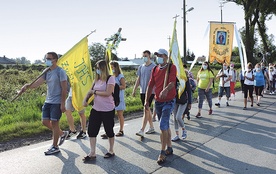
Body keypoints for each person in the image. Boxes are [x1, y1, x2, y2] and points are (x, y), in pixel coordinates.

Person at [20, 52, 69, 155]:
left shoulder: (60, 72)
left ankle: (55, 146)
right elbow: (37, 83)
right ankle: (62, 133)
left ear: (55, 59)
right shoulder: (46, 71)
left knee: (55, 123)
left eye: (48, 58)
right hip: (48, 101)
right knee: (45, 122)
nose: (46, 60)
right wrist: (27, 86)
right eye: (45, 58)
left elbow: (64, 89)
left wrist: (62, 103)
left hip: (57, 102)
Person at [144, 48, 176, 164]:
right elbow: (150, 85)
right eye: (157, 55)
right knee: (165, 124)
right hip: (158, 101)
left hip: (169, 101)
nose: (158, 57)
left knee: (163, 125)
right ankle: (170, 147)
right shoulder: (155, 69)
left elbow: (172, 83)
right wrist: (147, 101)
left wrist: (165, 90)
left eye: (160, 55)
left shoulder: (171, 67)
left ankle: (162, 152)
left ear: (166, 57)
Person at [82, 60, 115, 162]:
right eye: (95, 68)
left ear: (103, 68)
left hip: (108, 109)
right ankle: (92, 152)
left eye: (97, 68)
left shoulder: (110, 78)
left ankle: (111, 150)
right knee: (91, 131)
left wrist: (95, 92)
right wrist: (85, 99)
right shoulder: (96, 79)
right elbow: (90, 91)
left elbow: (108, 92)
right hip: (96, 109)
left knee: (109, 130)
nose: (96, 70)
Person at [132, 50, 156, 137]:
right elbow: (138, 79)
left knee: (146, 109)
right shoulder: (141, 67)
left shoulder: (154, 67)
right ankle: (151, 127)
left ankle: (142, 129)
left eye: (146, 55)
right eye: (143, 56)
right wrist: (134, 89)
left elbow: (156, 80)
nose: (144, 57)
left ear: (149, 56)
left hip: (150, 91)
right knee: (147, 109)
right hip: (142, 91)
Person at [171, 75, 192, 141]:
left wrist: (190, 102)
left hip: (183, 101)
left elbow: (189, 91)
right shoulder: (173, 78)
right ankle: (177, 135)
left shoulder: (185, 79)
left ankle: (184, 130)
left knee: (178, 117)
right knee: (175, 118)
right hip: (175, 100)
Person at [110, 61, 126, 136]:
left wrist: (115, 88)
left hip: (119, 97)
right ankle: (109, 130)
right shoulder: (111, 76)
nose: (111, 69)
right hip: (112, 98)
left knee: (120, 114)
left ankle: (121, 130)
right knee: (110, 115)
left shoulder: (120, 76)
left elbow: (124, 86)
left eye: (112, 67)